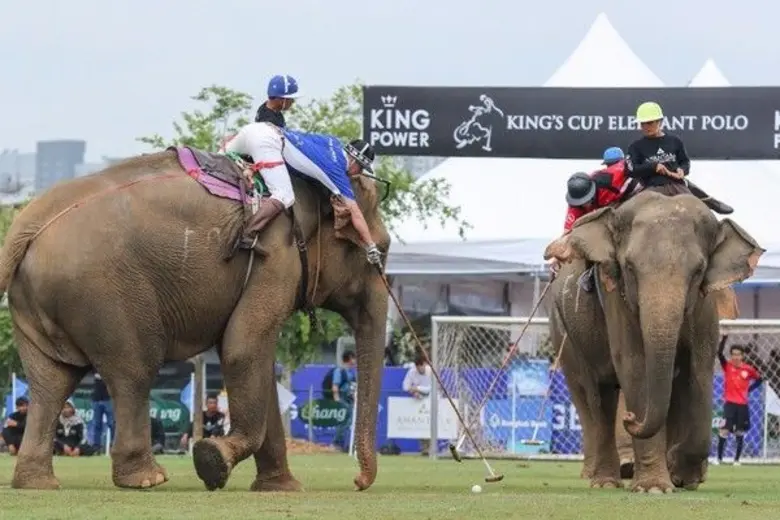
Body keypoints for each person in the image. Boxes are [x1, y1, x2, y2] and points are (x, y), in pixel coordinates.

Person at [222, 122, 383, 264]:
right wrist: (370, 245)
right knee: (284, 196)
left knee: (218, 158)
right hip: (268, 143)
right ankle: (247, 235)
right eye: (360, 168)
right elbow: (355, 212)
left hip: (255, 129)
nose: (357, 173)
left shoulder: (332, 141)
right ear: (354, 160)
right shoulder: (338, 173)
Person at [625, 101, 733, 214]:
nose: (646, 127)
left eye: (650, 123)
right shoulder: (635, 147)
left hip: (678, 185)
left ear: (660, 122)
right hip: (652, 188)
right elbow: (630, 170)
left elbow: (685, 162)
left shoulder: (674, 141)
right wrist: (653, 167)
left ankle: (711, 203)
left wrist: (683, 170)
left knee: (700, 212)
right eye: (642, 123)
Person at [715, 335, 762, 466]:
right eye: (734, 354)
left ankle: (737, 460)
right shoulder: (728, 366)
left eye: (738, 354)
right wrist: (724, 339)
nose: (736, 357)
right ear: (731, 355)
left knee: (739, 432)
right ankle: (719, 459)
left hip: (742, 405)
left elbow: (759, 379)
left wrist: (749, 390)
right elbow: (719, 353)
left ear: (743, 356)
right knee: (724, 430)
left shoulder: (748, 369)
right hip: (729, 404)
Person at [402, 354, 433, 455]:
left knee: (430, 424)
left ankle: (431, 448)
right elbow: (405, 386)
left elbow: (431, 388)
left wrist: (417, 388)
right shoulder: (412, 371)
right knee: (420, 424)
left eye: (422, 366)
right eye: (418, 367)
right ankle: (424, 449)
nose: (420, 369)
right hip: (418, 399)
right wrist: (413, 392)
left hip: (431, 399)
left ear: (425, 364)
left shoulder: (431, 371)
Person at [331, 350, 357, 452]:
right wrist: (337, 399)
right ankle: (336, 444)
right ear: (350, 358)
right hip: (342, 399)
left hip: (350, 399)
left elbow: (353, 387)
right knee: (343, 422)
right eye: (353, 358)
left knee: (349, 421)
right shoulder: (340, 371)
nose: (355, 361)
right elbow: (335, 385)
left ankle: (342, 444)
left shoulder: (351, 372)